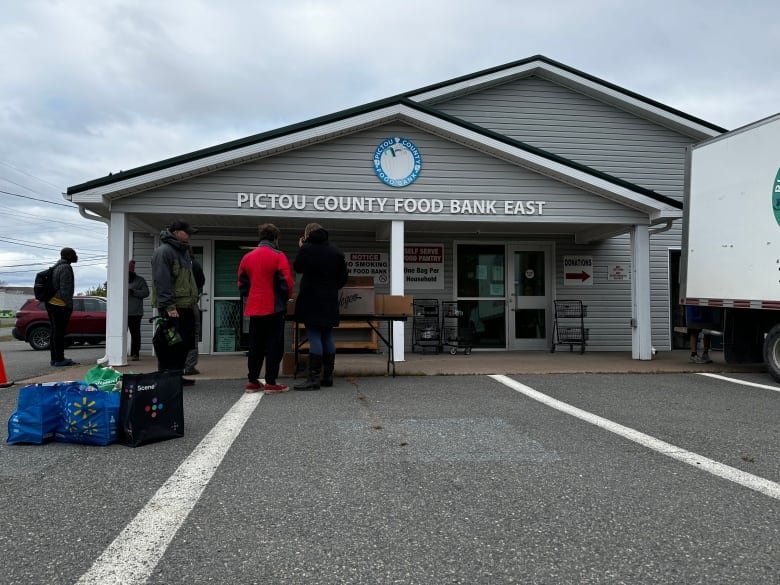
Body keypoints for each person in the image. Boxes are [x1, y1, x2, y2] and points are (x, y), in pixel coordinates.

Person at [237, 223, 294, 394]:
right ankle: (271, 382)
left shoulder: (247, 257)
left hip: (254, 307)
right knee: (274, 345)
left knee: (255, 345)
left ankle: (252, 381)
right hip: (274, 308)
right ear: (276, 238)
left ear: (261, 237)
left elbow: (241, 283)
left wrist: (252, 295)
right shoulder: (278, 256)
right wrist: (285, 298)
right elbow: (287, 282)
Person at [293, 222, 348, 390]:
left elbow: (298, 268)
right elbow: (343, 277)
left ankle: (313, 379)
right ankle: (327, 376)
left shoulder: (307, 249)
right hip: (329, 299)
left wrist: (302, 247)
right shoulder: (336, 251)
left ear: (307, 234)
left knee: (314, 333)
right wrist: (332, 288)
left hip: (310, 298)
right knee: (327, 334)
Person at [151, 220, 200, 386]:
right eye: (187, 232)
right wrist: (169, 306)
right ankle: (165, 377)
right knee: (168, 343)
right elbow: (162, 280)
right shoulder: (163, 252)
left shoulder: (183, 252)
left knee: (184, 344)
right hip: (173, 307)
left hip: (187, 306)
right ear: (177, 232)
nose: (189, 235)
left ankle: (176, 376)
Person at [46, 247, 79, 367]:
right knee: (59, 333)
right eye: (74, 254)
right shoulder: (66, 268)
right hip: (60, 305)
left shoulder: (56, 267)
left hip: (51, 303)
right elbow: (66, 290)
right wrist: (68, 305)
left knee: (55, 332)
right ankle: (60, 359)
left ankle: (55, 359)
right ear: (69, 255)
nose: (76, 256)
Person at [184, 255, 205, 375]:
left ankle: (176, 366)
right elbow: (201, 280)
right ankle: (189, 366)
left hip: (175, 304)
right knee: (193, 334)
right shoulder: (195, 265)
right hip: (191, 303)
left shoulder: (171, 262)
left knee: (177, 335)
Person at [127, 259, 149, 361]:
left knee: (135, 334)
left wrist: (133, 292)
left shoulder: (140, 280)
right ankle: (120, 353)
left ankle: (135, 353)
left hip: (135, 313)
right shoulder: (120, 279)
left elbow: (146, 293)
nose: (128, 275)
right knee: (120, 334)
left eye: (130, 273)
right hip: (122, 313)